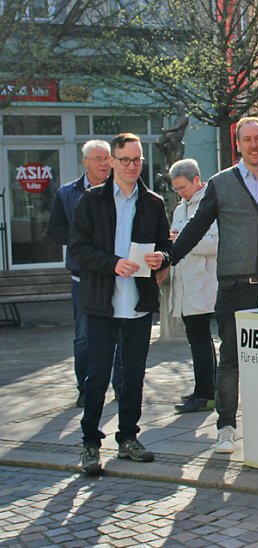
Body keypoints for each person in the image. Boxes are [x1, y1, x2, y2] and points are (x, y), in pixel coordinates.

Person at [170, 116, 258, 454]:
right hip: (234, 286)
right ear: (238, 144)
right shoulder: (221, 183)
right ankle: (226, 427)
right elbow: (197, 226)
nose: (254, 145)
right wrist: (170, 256)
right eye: (247, 139)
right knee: (230, 360)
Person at [69, 133, 171, 476]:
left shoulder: (153, 202)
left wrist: (162, 258)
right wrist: (112, 263)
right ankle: (90, 443)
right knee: (97, 375)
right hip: (102, 302)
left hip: (138, 303)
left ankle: (128, 437)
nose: (132, 166)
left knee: (133, 376)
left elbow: (165, 246)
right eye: (125, 160)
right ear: (111, 162)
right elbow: (77, 250)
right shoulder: (92, 200)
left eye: (137, 159)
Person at [47, 140, 123, 408]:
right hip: (85, 277)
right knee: (84, 337)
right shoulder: (68, 193)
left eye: (107, 158)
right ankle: (86, 388)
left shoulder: (122, 189)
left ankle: (120, 385)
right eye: (98, 158)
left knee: (122, 334)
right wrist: (83, 238)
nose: (104, 163)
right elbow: (54, 230)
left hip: (119, 273)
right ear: (85, 162)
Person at [165, 159, 218, 414]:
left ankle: (206, 393)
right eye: (176, 189)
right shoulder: (180, 209)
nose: (180, 193)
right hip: (185, 282)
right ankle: (204, 388)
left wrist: (183, 241)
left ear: (197, 180)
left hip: (203, 281)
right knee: (196, 337)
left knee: (200, 338)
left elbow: (216, 242)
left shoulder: (210, 204)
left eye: (183, 187)